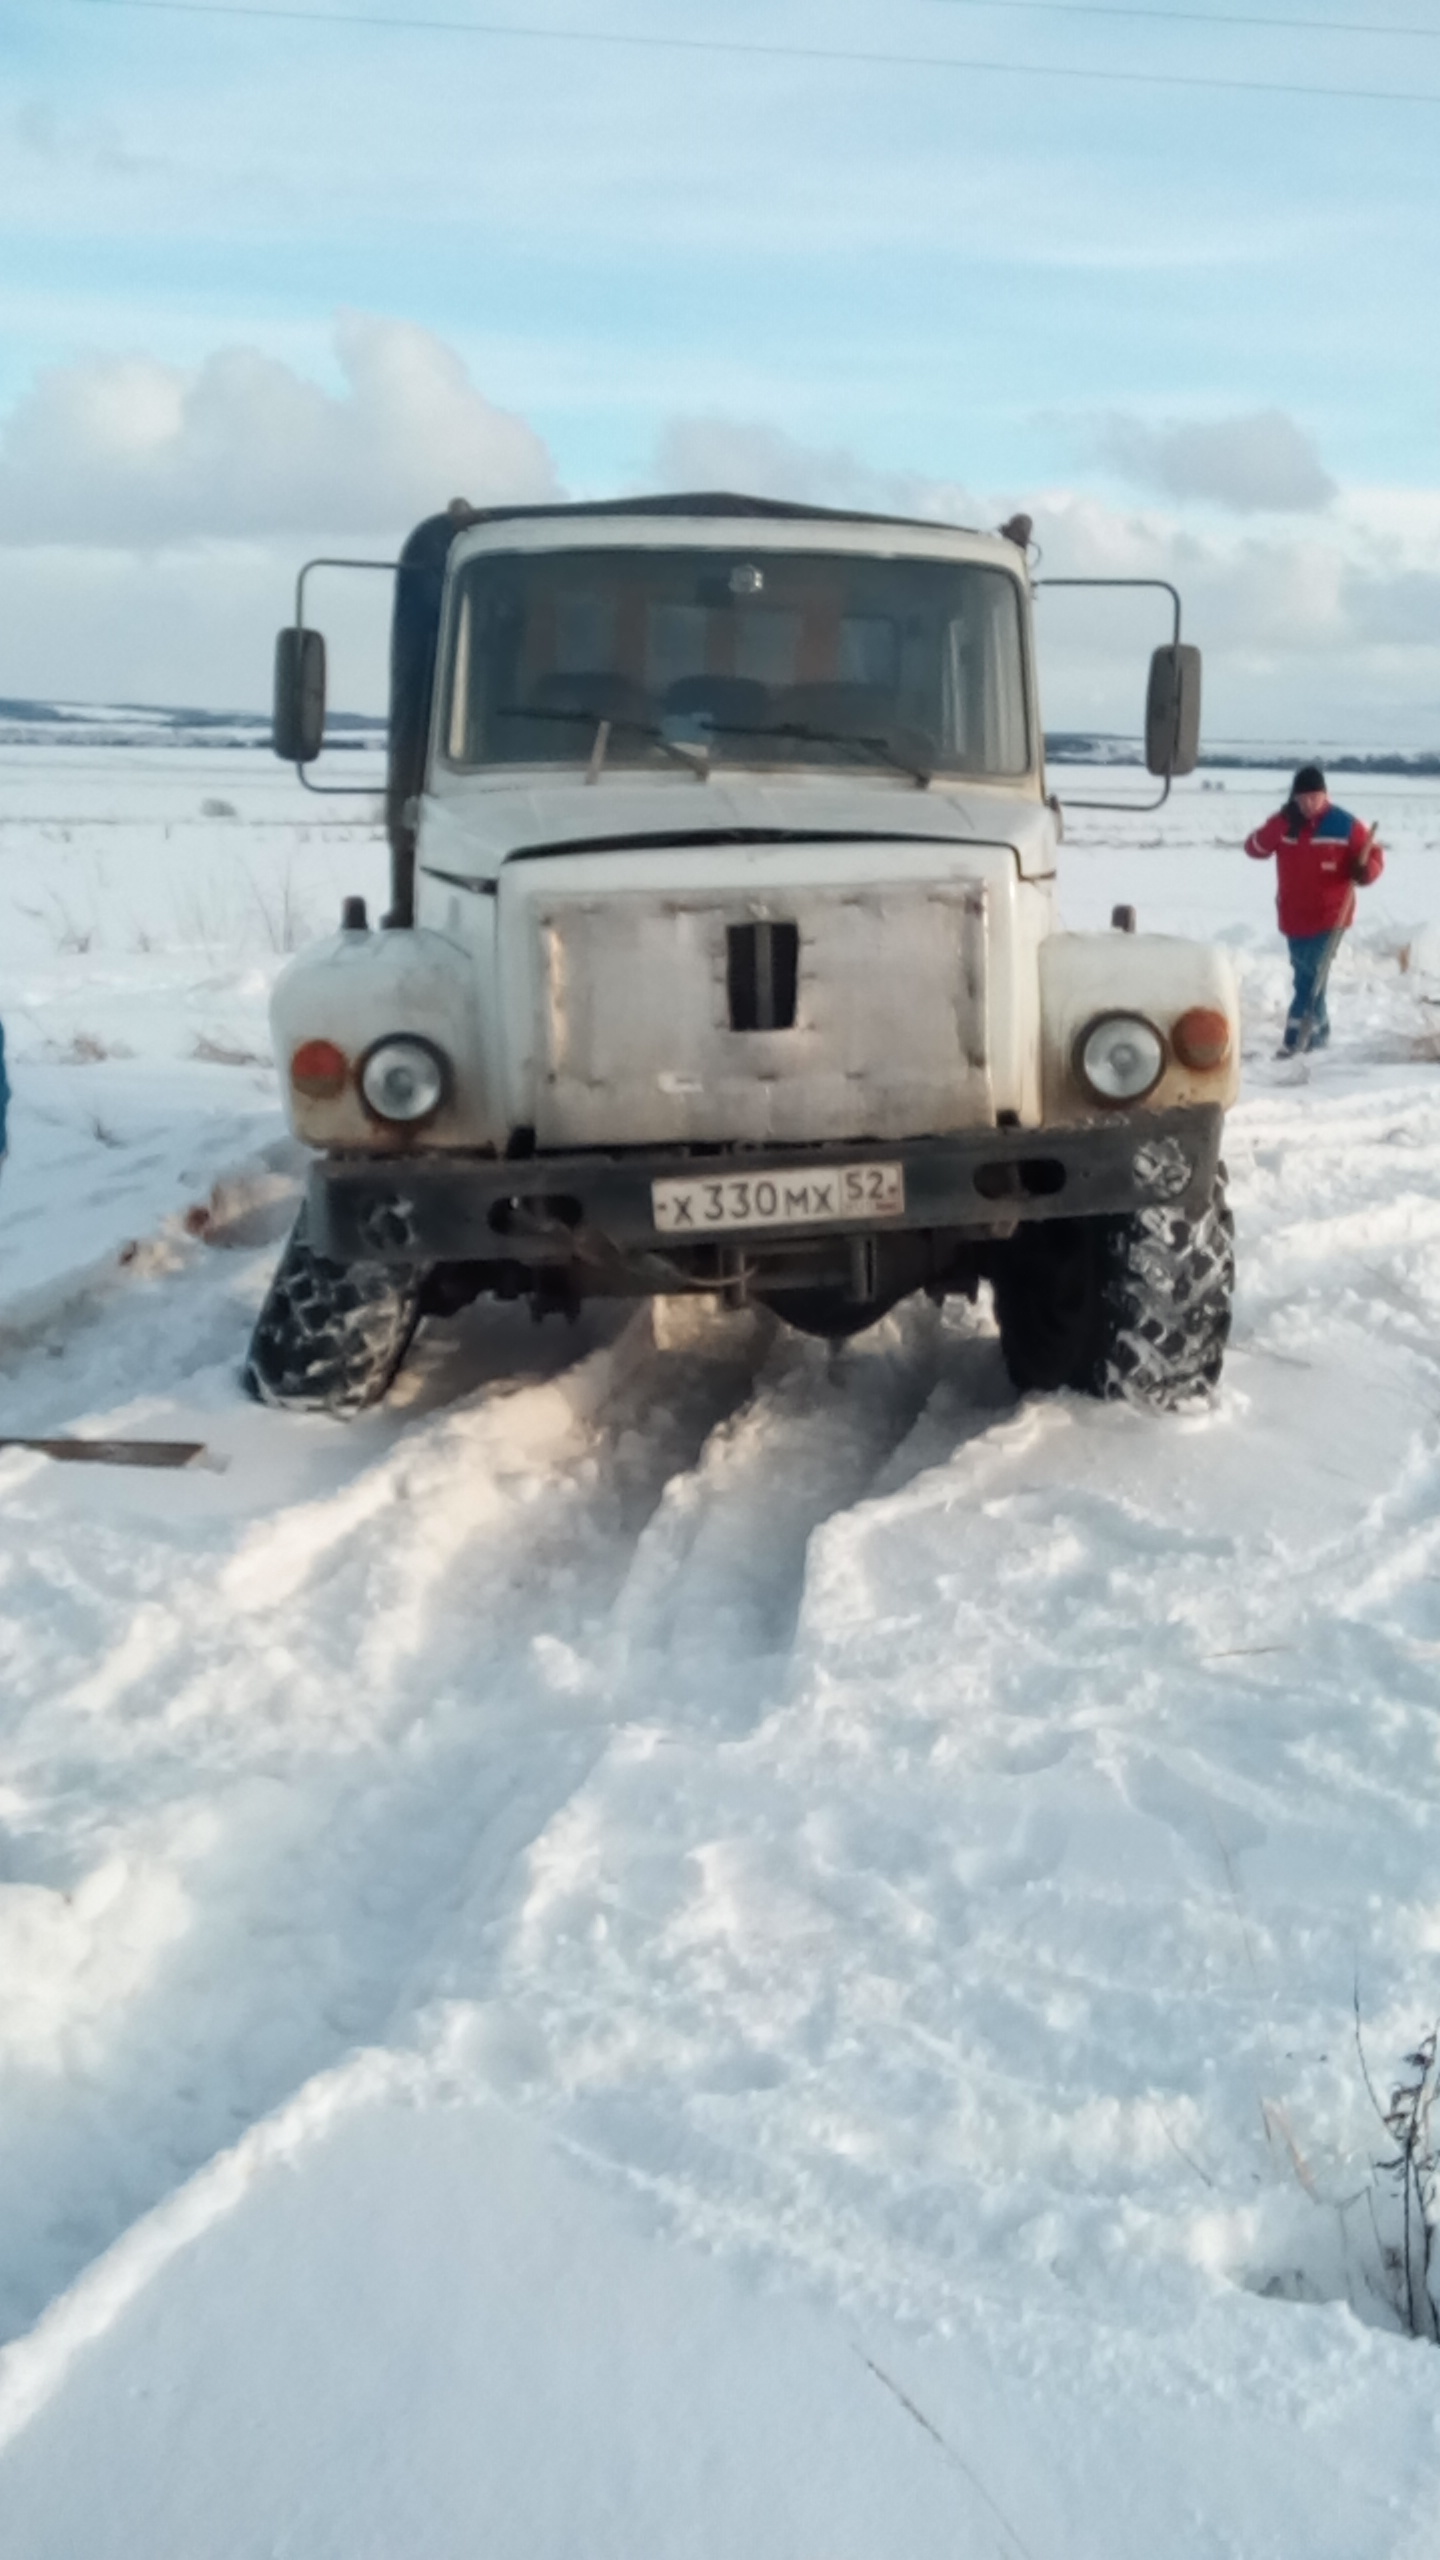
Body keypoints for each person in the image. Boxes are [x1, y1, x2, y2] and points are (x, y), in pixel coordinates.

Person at [1245, 763, 1384, 1055]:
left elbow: (1373, 856)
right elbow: (1254, 849)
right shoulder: (1284, 824)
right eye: (1303, 798)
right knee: (1306, 977)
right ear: (1294, 798)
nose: (1309, 804)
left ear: (1325, 795)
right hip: (1294, 916)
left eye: (1315, 797)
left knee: (1312, 976)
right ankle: (1319, 1035)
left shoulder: (1344, 823)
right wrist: (1282, 822)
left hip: (1331, 916)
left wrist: (1364, 871)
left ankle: (1296, 1042)